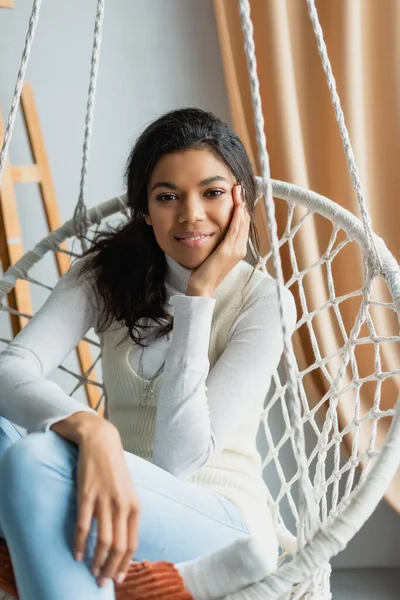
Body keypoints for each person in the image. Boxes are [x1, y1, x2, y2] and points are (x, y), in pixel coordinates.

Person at [0, 108, 296, 600]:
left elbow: (179, 461)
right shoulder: (105, 274)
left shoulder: (262, 300)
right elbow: (10, 369)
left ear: (242, 201)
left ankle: (36, 542)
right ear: (144, 209)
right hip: (109, 495)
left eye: (213, 192)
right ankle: (98, 573)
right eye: (167, 197)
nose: (191, 214)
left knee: (35, 460)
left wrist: (198, 296)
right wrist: (89, 428)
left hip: (215, 517)